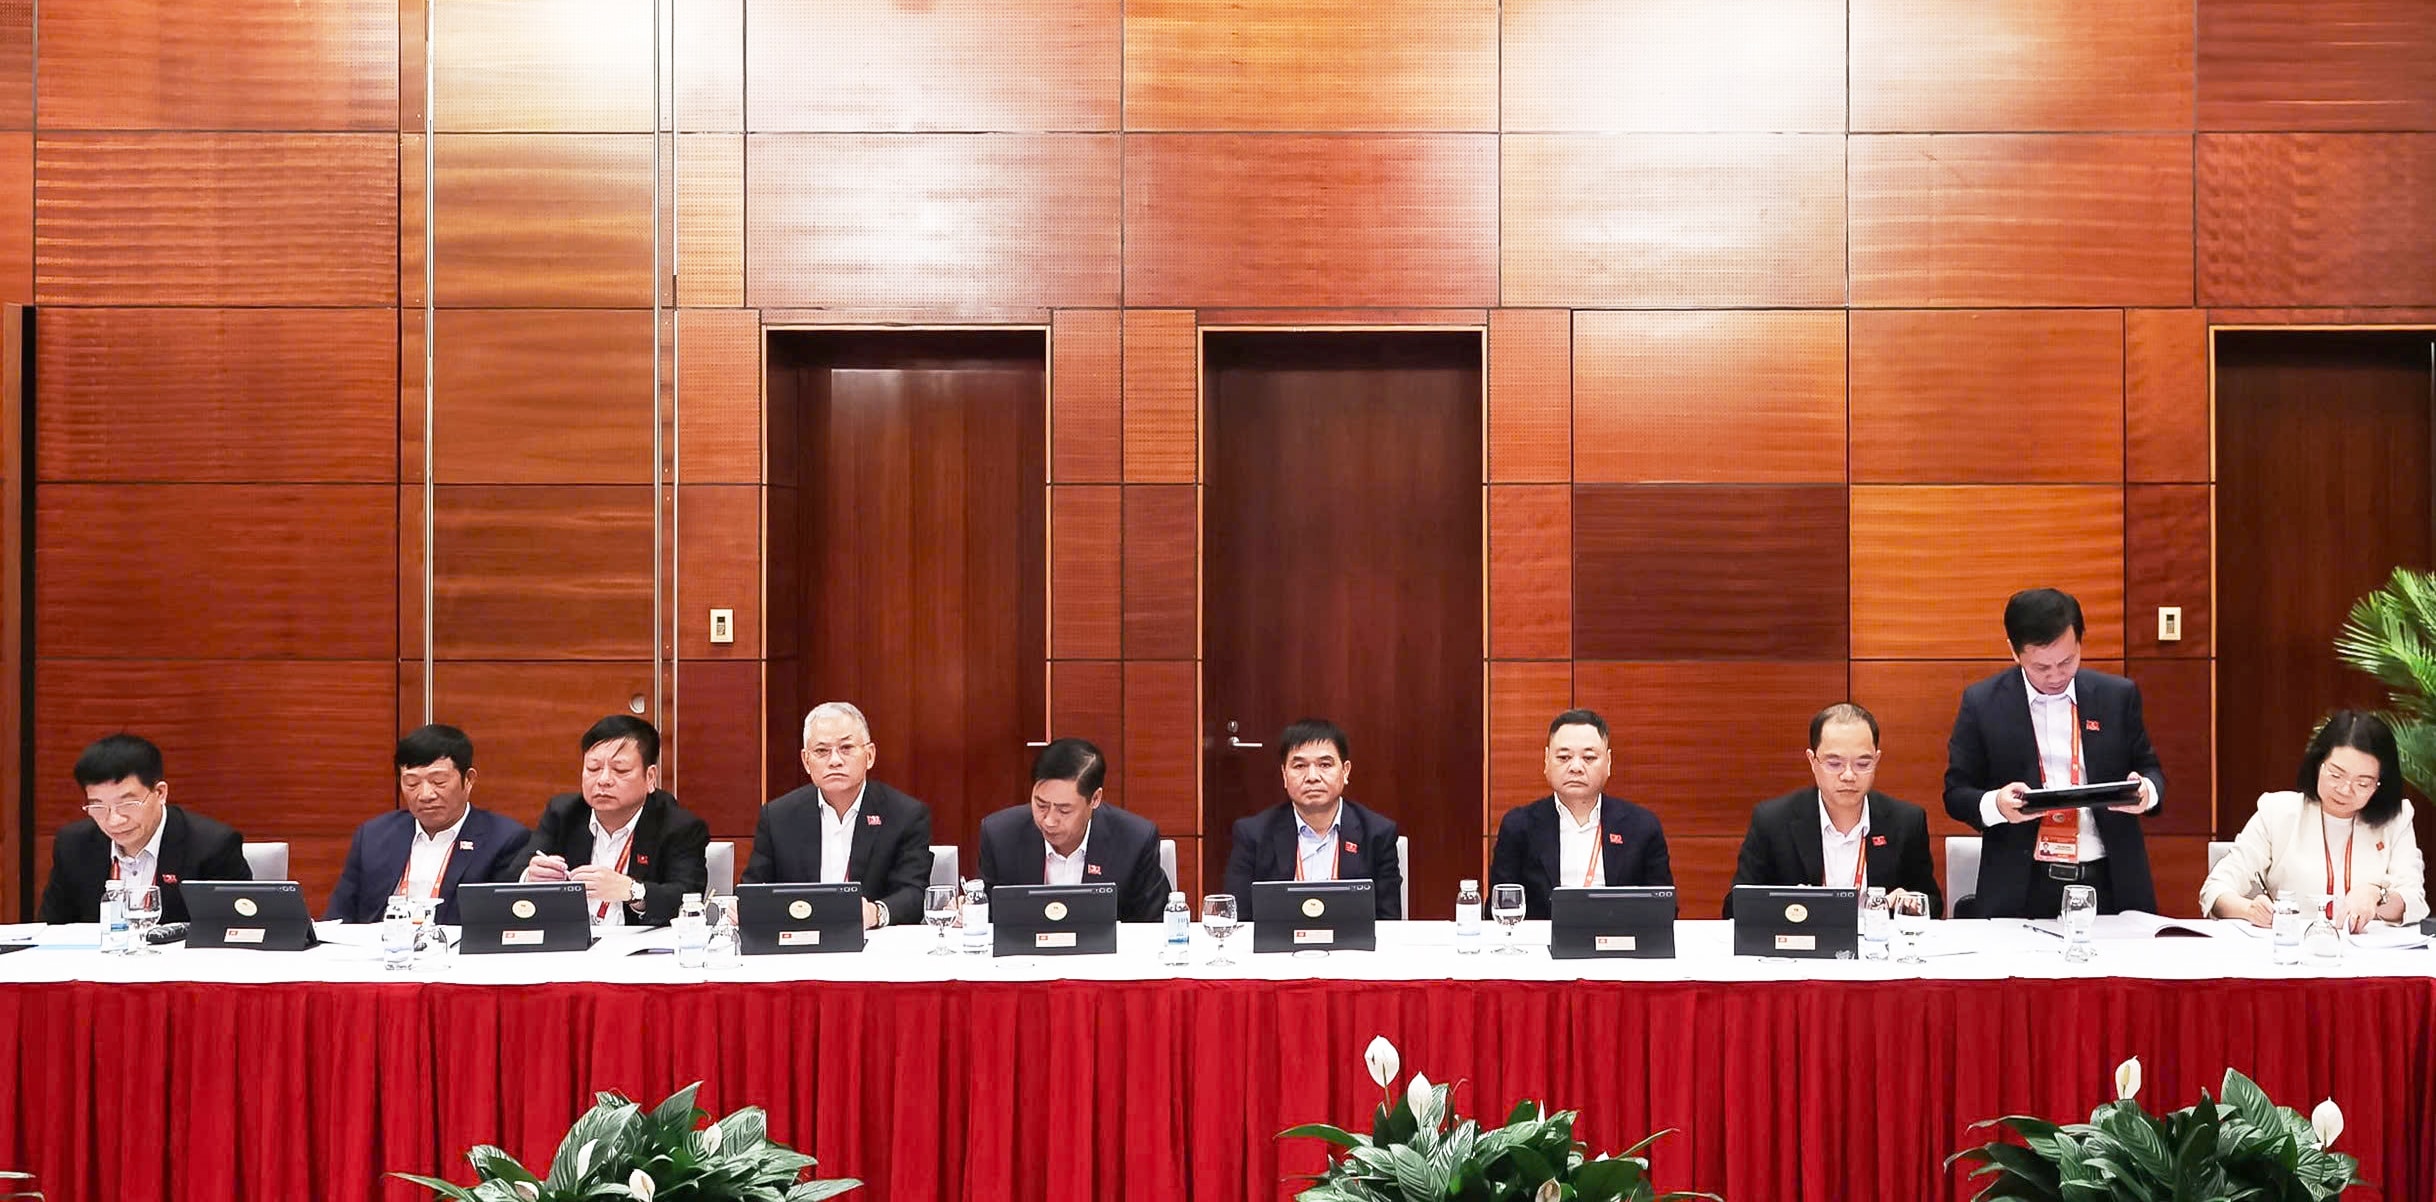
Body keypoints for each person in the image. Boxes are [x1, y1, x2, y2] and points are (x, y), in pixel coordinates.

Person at [1944, 588, 2164, 918]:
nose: (2056, 676)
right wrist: (1998, 804)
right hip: (2021, 887)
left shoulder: (2117, 696)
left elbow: (2150, 769)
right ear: (2014, 652)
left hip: (2108, 881)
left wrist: (2147, 792)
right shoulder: (1982, 703)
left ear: (2080, 643)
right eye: (2041, 667)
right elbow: (1956, 793)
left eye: (2067, 661)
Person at [2201, 710, 2427, 932]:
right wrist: (2249, 910)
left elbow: (2414, 901)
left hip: (2368, 950)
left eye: (2363, 783)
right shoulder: (2278, 812)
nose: (2345, 790)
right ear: (2318, 764)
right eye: (2336, 774)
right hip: (2290, 947)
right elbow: (2214, 890)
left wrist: (2377, 895)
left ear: (2380, 784)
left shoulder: (2396, 820)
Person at [1725, 703, 1942, 917]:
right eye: (1834, 764)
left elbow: (1932, 903)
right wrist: (1786, 902)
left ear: (1876, 760)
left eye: (1862, 764)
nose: (1848, 775)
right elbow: (1734, 907)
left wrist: (1911, 903)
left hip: (1877, 939)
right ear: (1813, 761)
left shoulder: (1906, 822)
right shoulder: (1773, 821)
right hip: (1804, 939)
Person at [740, 701, 934, 929]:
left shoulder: (905, 815)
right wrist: (739, 906)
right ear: (806, 761)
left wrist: (876, 913)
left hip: (873, 940)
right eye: (822, 751)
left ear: (870, 755)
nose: (835, 761)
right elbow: (753, 889)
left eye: (846, 748)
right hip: (800, 938)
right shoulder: (778, 817)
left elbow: (914, 893)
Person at [510, 715, 708, 928]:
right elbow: (510, 876)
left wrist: (632, 891)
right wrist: (530, 877)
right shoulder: (563, 813)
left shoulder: (679, 826)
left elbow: (687, 897)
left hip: (640, 945)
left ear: (650, 777)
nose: (603, 780)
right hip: (573, 941)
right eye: (593, 769)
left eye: (620, 770)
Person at [324, 724, 530, 925]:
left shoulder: (505, 840)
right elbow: (338, 918)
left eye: (438, 782)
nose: (425, 795)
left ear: (468, 780)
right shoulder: (374, 835)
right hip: (380, 944)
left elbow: (502, 925)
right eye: (412, 783)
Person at [38, 733, 250, 924]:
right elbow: (51, 930)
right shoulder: (73, 845)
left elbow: (233, 933)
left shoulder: (212, 847)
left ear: (160, 793)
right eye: (98, 806)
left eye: (127, 804)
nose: (114, 820)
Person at [1490, 708, 1671, 920]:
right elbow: (1499, 910)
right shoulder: (1518, 826)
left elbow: (1664, 910)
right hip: (1543, 939)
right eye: (1564, 757)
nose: (1576, 767)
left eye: (1589, 757)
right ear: (1546, 760)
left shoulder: (1642, 827)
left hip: (1617, 938)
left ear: (1608, 762)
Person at [1220, 718, 1405, 919]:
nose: (1312, 777)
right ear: (1284, 775)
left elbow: (1389, 921)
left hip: (1352, 940)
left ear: (1345, 771)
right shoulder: (1253, 835)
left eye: (1325, 764)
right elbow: (1238, 918)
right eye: (1300, 766)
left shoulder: (1377, 834)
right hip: (1279, 939)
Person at [977, 738, 1168, 921]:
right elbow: (987, 918)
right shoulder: (1000, 836)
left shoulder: (1135, 840)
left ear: (1095, 799)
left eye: (1064, 810)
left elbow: (1154, 924)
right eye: (1041, 805)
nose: (1049, 821)